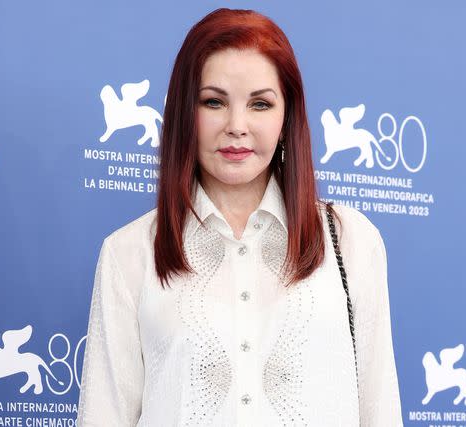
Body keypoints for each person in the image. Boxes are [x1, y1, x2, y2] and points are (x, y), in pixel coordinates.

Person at [76, 7, 402, 427]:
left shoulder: (351, 241)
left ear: (287, 119)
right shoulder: (129, 253)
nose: (237, 125)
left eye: (260, 104)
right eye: (214, 101)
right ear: (184, 114)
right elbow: (105, 416)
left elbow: (380, 412)